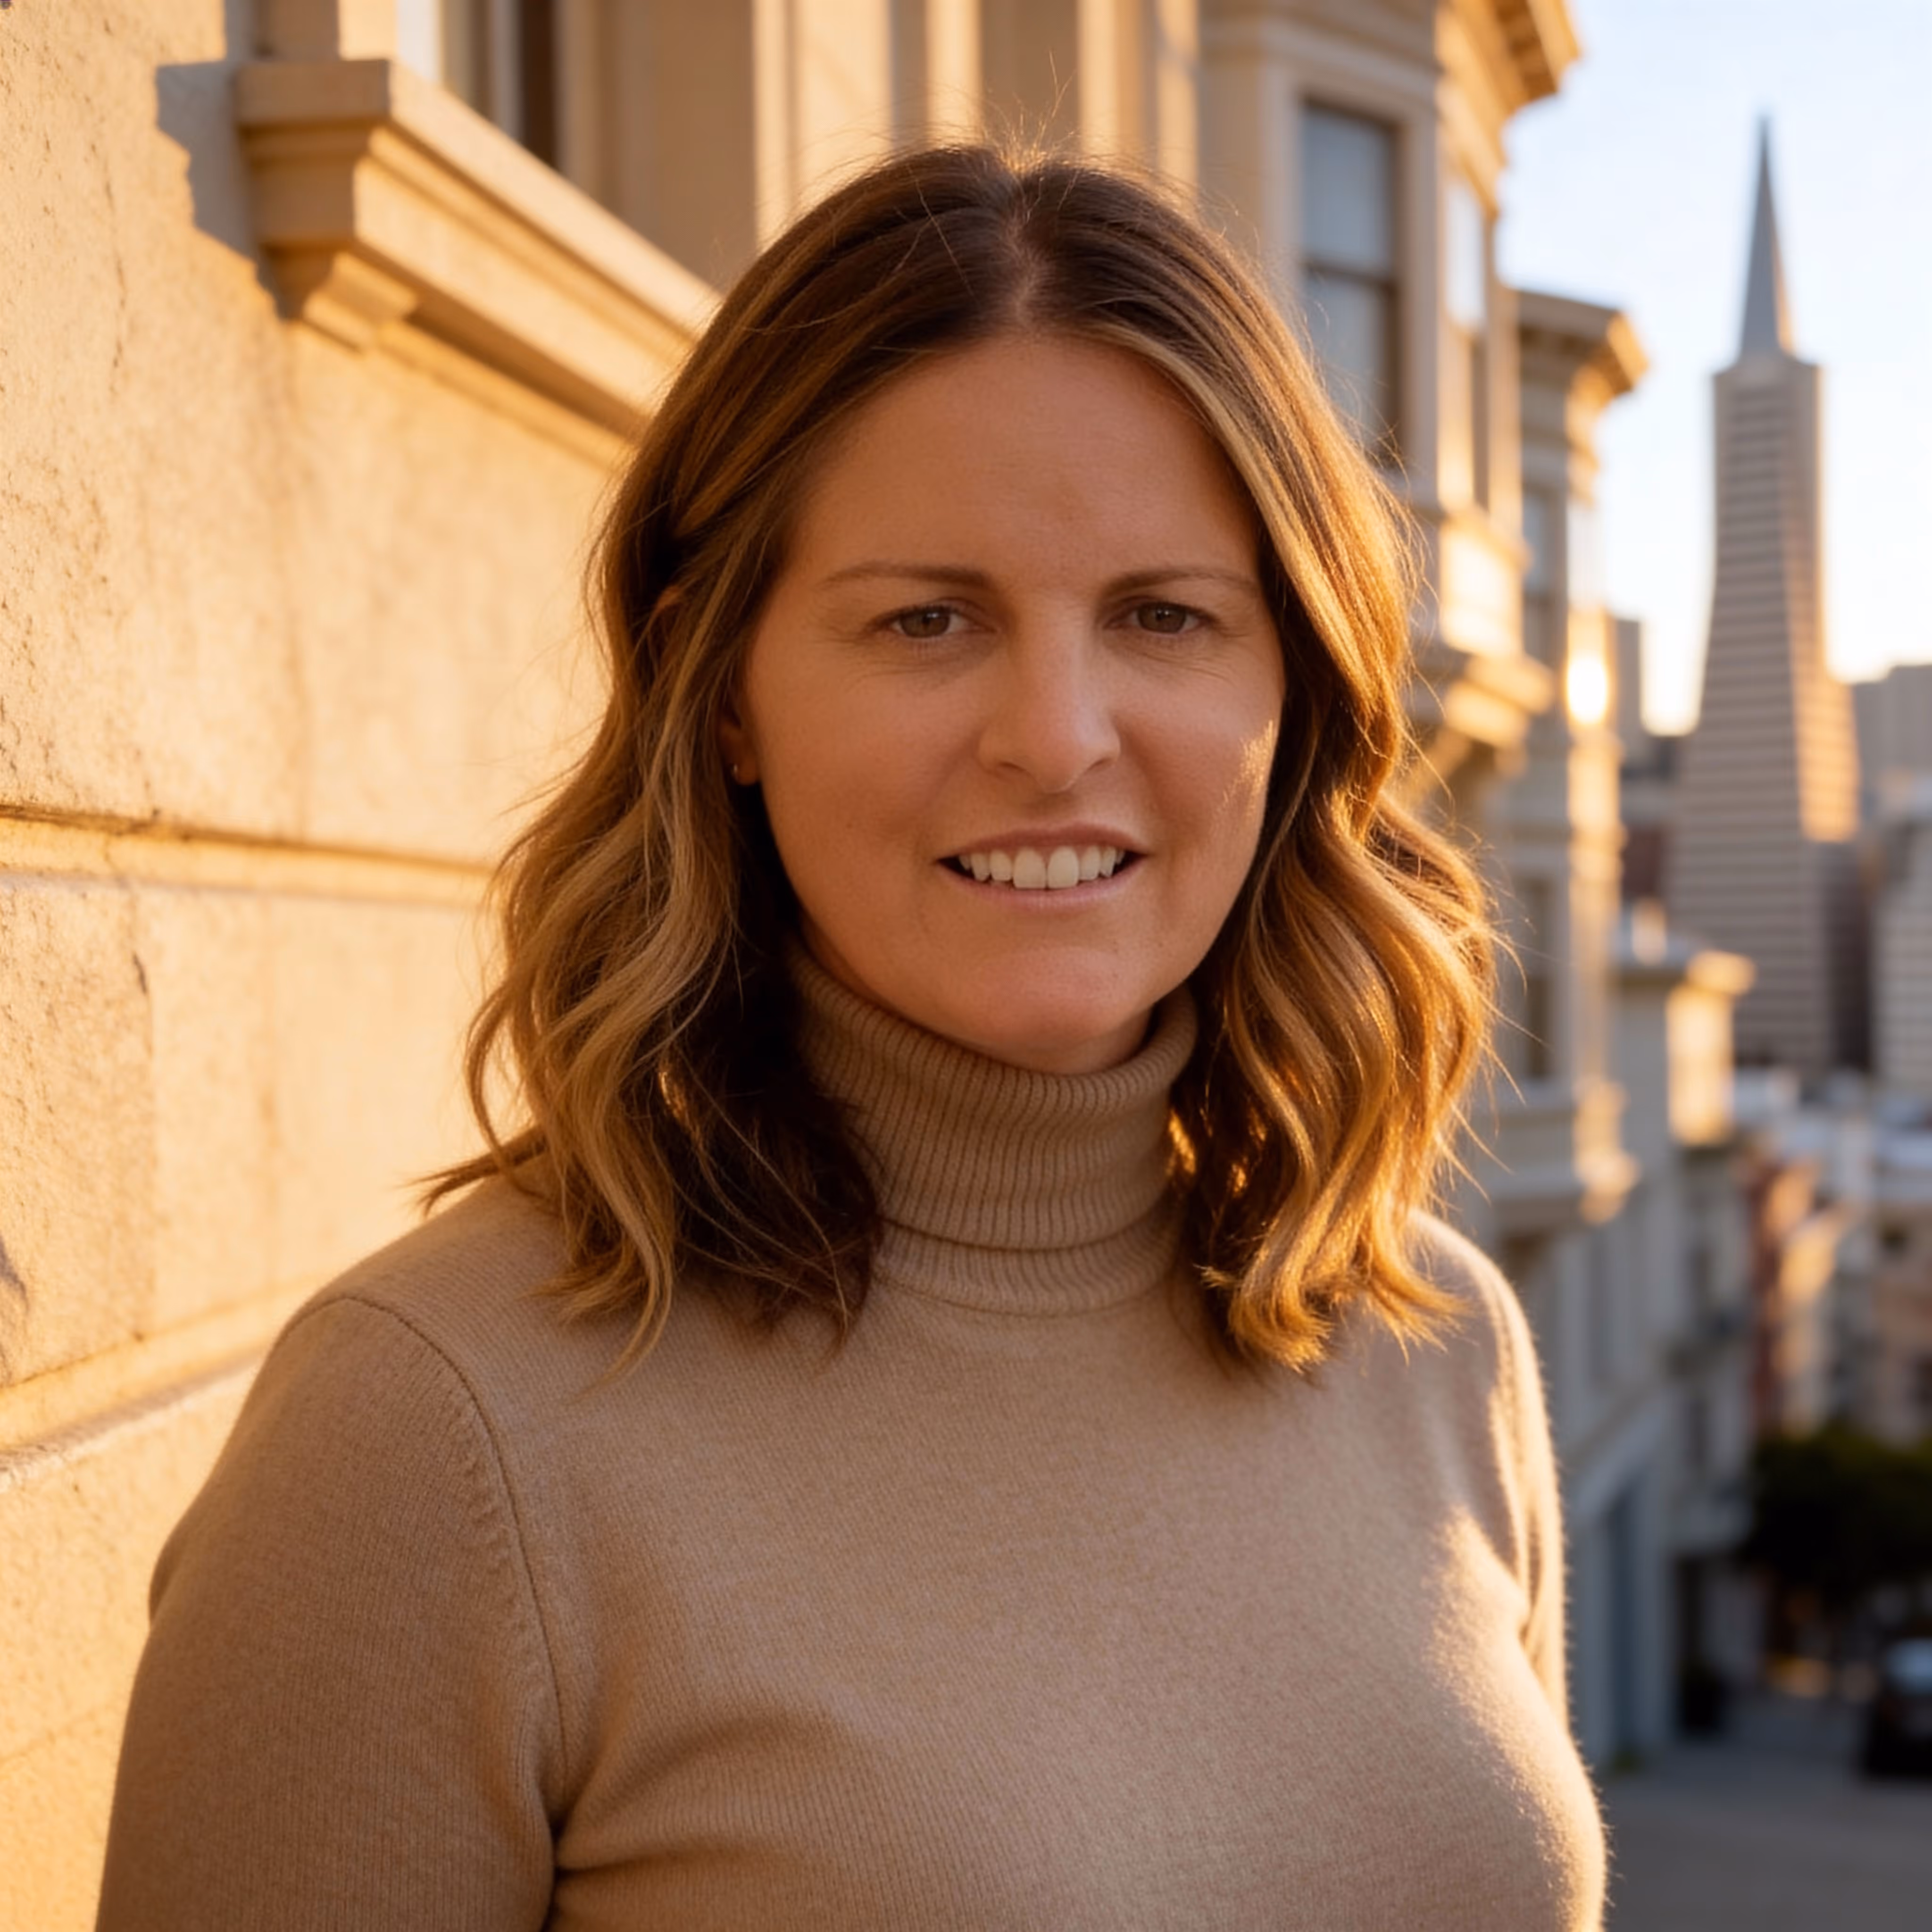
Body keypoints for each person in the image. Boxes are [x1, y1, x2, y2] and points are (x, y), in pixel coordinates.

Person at [96, 144, 1607, 1929]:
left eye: (1165, 616)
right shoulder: (432, 1431)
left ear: (1294, 684)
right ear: (725, 692)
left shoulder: (1438, 1345)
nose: (1057, 736)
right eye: (927, 619)